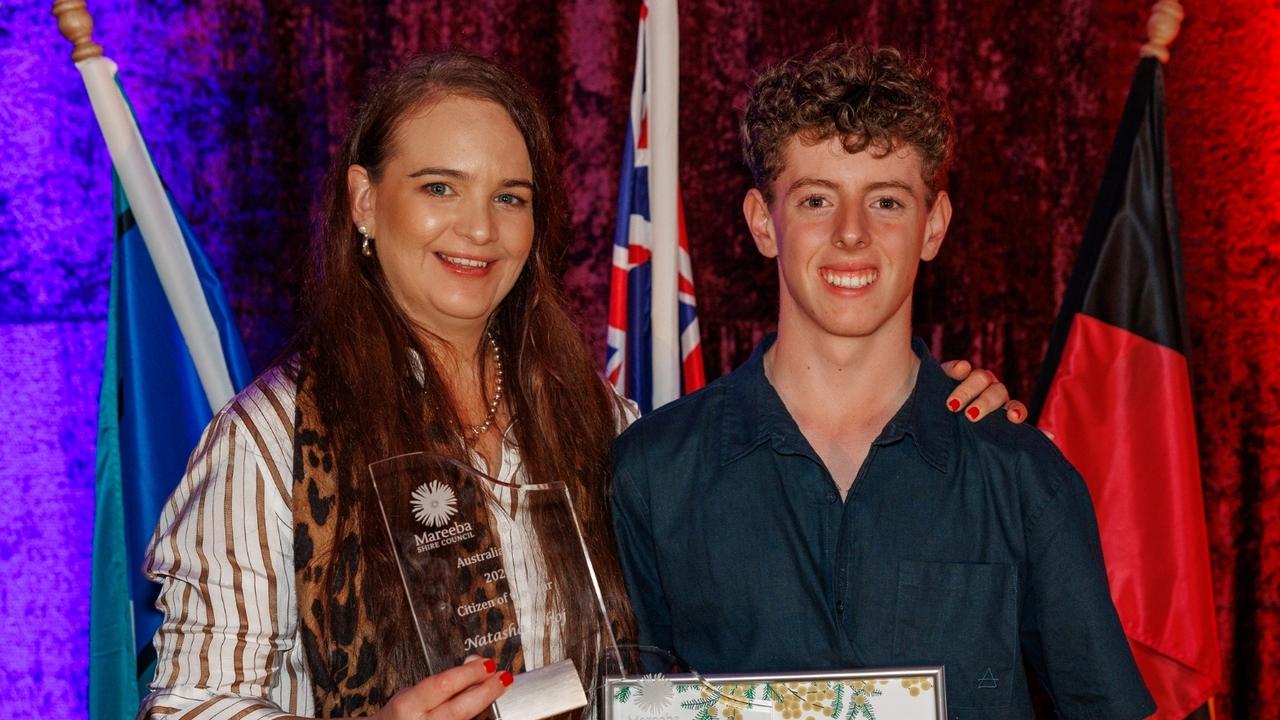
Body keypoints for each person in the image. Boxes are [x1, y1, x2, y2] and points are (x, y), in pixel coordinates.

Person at [139, 51, 1017, 719]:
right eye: (439, 186)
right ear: (366, 202)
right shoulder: (270, 439)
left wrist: (941, 410)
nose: (478, 228)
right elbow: (184, 707)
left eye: (511, 197)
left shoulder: (605, 422)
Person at [610, 44, 1156, 719]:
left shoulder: (1021, 476)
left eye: (887, 203)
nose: (851, 235)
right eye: (816, 199)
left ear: (934, 226)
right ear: (762, 222)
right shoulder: (652, 473)